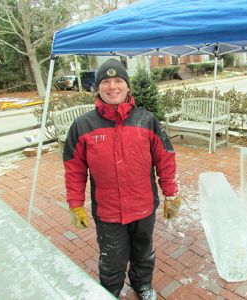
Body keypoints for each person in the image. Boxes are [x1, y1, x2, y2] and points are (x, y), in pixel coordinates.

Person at [63, 59, 181, 299]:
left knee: (143, 251)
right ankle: (110, 292)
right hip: (108, 211)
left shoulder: (146, 120)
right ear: (97, 88)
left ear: (127, 87)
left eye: (118, 81)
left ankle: (142, 285)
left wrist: (171, 194)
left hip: (144, 206)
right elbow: (74, 169)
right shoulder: (83, 125)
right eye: (105, 82)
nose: (112, 86)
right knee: (112, 258)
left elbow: (165, 159)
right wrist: (75, 204)